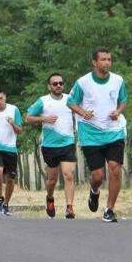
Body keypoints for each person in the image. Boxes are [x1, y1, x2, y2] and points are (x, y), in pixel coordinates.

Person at [67, 48, 128, 223]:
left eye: (109, 59)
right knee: (97, 176)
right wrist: (83, 112)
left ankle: (109, 209)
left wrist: (118, 111)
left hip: (113, 131)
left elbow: (123, 100)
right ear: (95, 62)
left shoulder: (118, 80)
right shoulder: (83, 82)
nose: (107, 62)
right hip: (90, 132)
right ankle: (94, 191)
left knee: (115, 169)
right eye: (103, 59)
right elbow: (70, 102)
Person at [26, 73, 77, 219]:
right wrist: (44, 118)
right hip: (49, 145)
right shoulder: (43, 101)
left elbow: (80, 112)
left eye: (61, 83)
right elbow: (28, 118)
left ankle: (69, 208)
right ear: (49, 86)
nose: (58, 86)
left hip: (68, 143)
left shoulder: (70, 99)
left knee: (68, 175)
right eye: (55, 84)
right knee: (52, 180)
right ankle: (49, 197)